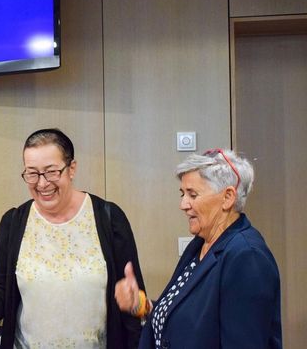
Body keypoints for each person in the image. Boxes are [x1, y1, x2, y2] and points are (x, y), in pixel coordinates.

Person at [0, 128, 145, 348]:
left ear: (72, 168)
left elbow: (133, 299)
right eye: (32, 173)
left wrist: (136, 304)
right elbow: (1, 289)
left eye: (52, 172)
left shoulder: (108, 219)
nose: (42, 184)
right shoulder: (14, 222)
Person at [115, 148, 282, 349]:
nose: (183, 204)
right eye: (182, 194)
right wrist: (140, 305)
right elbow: (188, 323)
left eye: (192, 195)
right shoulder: (200, 245)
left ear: (228, 197)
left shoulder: (247, 257)